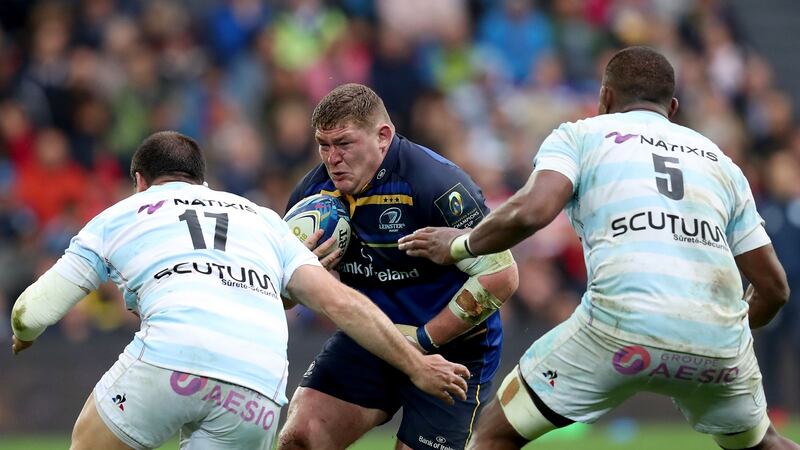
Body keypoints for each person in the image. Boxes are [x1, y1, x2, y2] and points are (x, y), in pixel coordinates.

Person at [398, 46, 798, 450]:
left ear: (604, 97)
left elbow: (531, 212)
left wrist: (461, 244)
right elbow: (775, 289)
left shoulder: (583, 134)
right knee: (766, 443)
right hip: (720, 344)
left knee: (495, 432)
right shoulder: (721, 162)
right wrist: (709, 337)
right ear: (672, 107)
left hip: (618, 329)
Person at [9, 131, 471, 450]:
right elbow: (342, 303)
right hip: (255, 384)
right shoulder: (262, 219)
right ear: (203, 181)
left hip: (170, 359)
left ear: (140, 183)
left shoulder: (122, 214)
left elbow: (35, 308)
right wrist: (418, 365)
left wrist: (24, 332)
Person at [278, 83, 519, 450]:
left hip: (454, 350)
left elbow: (502, 276)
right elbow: (282, 299)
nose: (332, 158)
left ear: (383, 136)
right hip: (371, 339)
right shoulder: (313, 196)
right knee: (300, 440)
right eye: (323, 145)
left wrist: (422, 342)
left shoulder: (435, 183)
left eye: (344, 144)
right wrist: (302, 278)